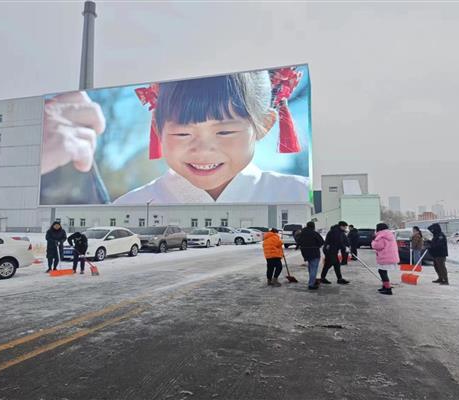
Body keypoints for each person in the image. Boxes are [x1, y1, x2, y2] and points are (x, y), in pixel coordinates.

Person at [113, 68, 309, 204]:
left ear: (265, 125)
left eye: (224, 132)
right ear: (158, 130)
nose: (203, 150)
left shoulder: (301, 194)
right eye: (182, 133)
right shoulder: (130, 205)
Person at [371, 223, 400, 295]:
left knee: (382, 272)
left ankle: (388, 289)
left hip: (385, 257)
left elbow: (378, 246)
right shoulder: (389, 234)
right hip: (390, 256)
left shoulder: (381, 236)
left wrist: (373, 241)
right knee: (383, 271)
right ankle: (385, 286)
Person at [296, 221, 325, 290]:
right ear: (313, 226)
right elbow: (322, 242)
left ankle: (312, 281)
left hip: (305, 253)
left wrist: (299, 246)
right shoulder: (314, 233)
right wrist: (317, 246)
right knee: (313, 268)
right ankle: (311, 284)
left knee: (311, 268)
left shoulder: (302, 233)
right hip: (314, 252)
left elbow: (298, 241)